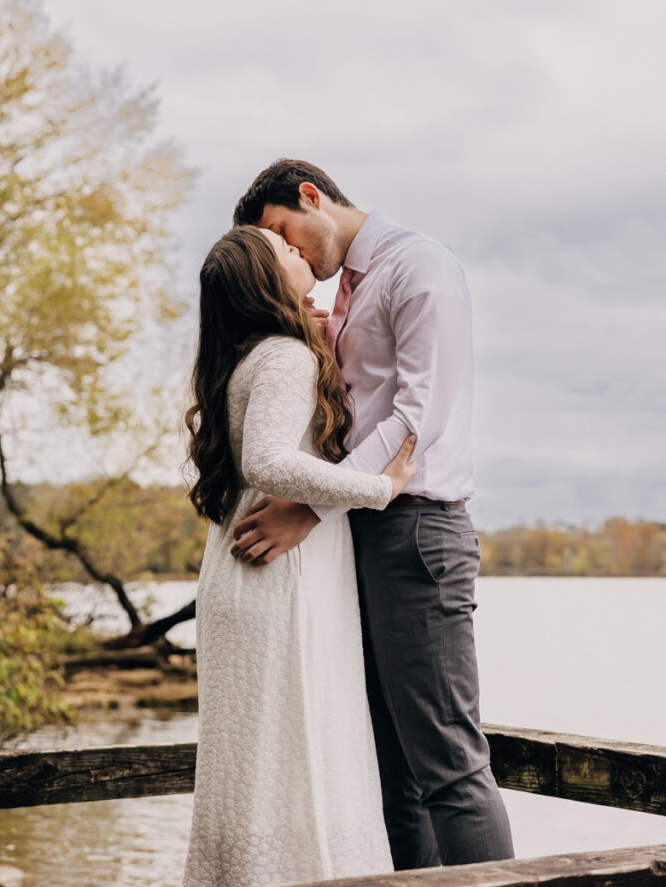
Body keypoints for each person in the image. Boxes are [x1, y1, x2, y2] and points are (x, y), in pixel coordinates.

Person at [231, 159, 515, 869]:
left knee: (448, 763)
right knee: (391, 768)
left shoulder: (419, 267)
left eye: (283, 232)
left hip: (416, 531)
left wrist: (312, 507)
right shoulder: (349, 290)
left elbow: (419, 419)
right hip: (365, 530)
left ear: (310, 196)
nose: (289, 252)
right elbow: (356, 408)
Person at [182, 224, 418, 887]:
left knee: (257, 769)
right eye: (281, 248)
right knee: (298, 755)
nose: (296, 248)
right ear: (262, 279)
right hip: (277, 582)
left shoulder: (249, 355)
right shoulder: (284, 356)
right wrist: (377, 488)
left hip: (242, 574)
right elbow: (267, 460)